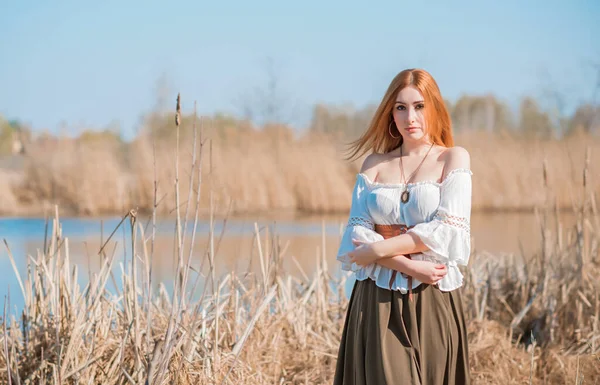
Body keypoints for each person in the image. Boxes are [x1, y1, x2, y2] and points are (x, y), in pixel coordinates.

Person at [333, 68, 472, 385]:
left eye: (419, 106)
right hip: (376, 296)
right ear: (390, 113)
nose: (411, 116)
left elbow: (446, 233)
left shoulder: (453, 159)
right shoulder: (374, 164)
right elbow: (357, 236)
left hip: (432, 295)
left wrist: (378, 250)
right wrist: (411, 267)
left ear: (434, 107)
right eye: (400, 107)